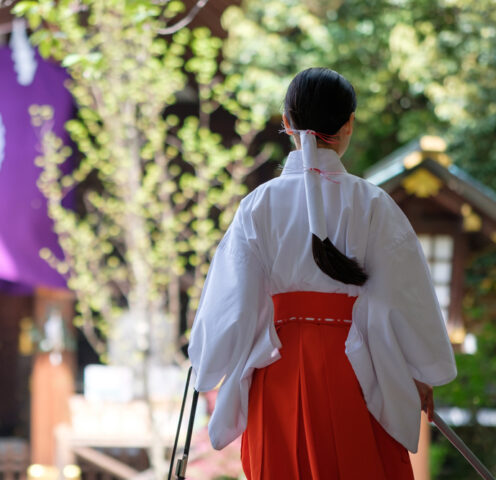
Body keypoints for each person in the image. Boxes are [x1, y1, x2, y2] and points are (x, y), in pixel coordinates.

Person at [188, 68, 457, 479]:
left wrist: (208, 362)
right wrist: (419, 371)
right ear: (348, 124)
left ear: (286, 123)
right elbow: (400, 298)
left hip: (276, 367)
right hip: (356, 367)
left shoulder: (257, 206)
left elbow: (233, 304)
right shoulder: (373, 204)